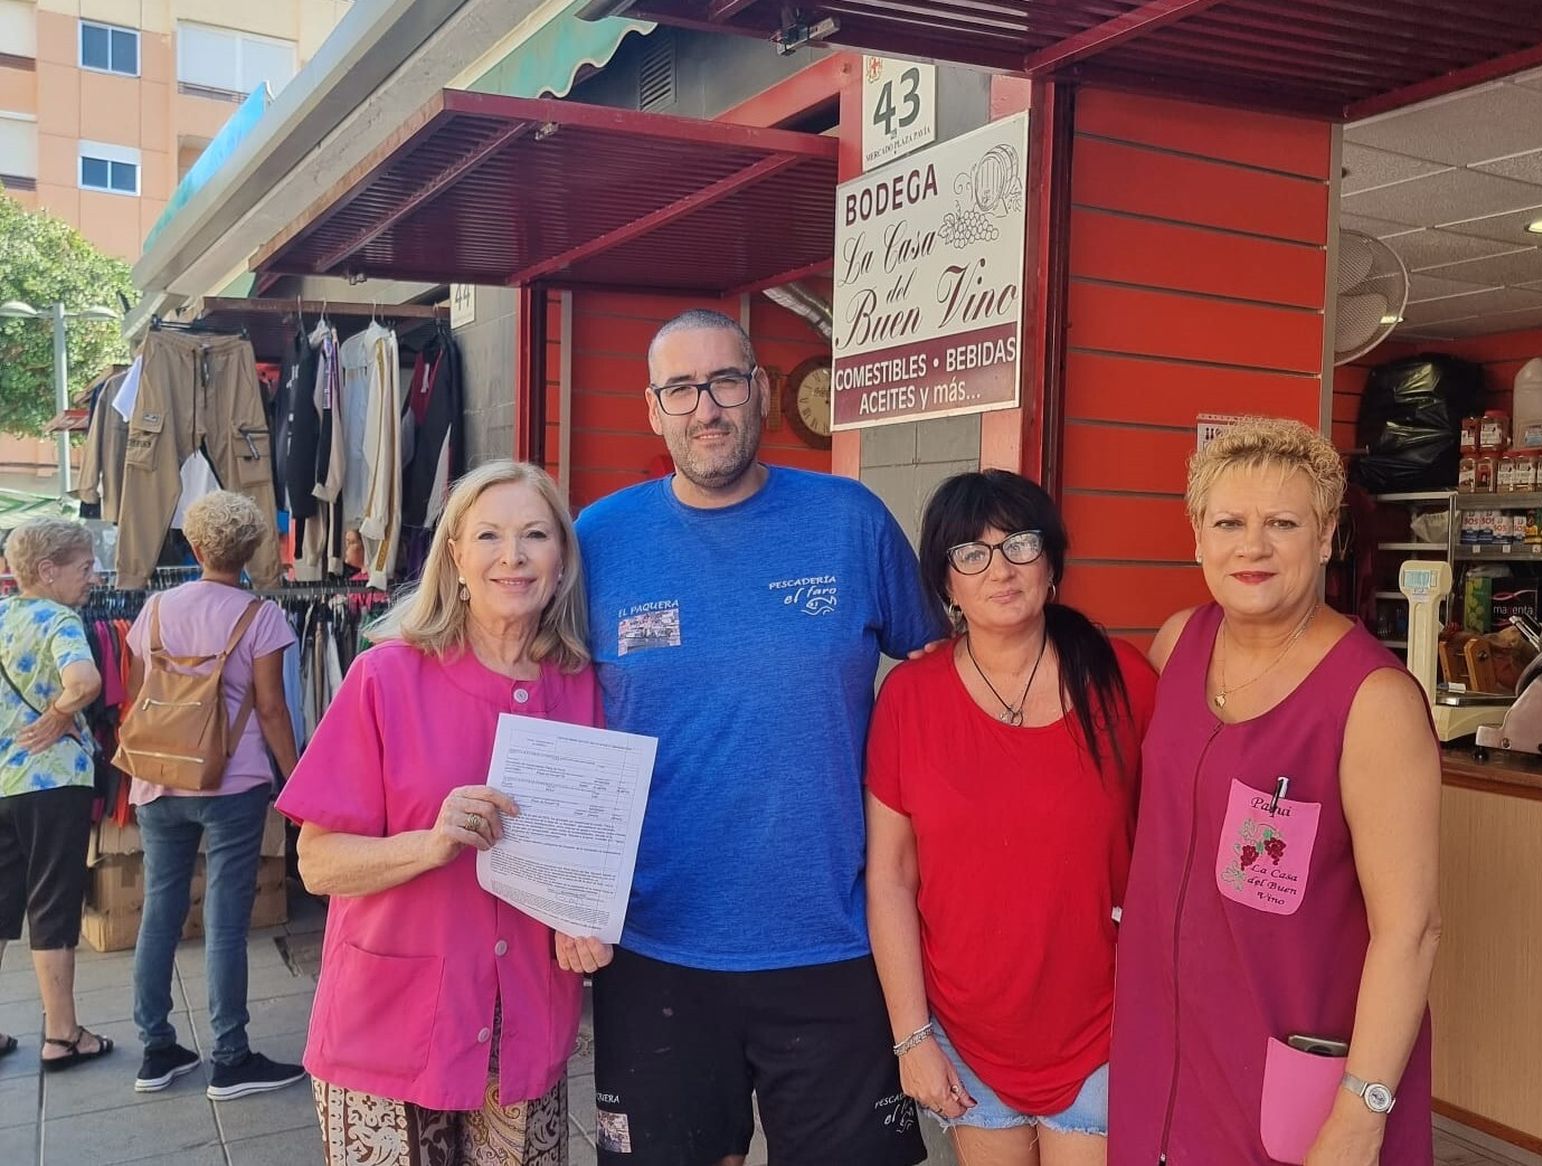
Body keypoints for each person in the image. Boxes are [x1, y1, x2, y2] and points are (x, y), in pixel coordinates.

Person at [576, 309, 938, 1166]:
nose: (707, 408)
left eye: (726, 382)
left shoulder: (850, 522)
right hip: (656, 945)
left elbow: (935, 675)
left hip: (834, 939)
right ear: (653, 409)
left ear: (762, 393)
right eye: (680, 389)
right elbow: (539, 696)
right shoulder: (598, 540)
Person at [1108, 417, 1441, 1166]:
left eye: (1282, 524)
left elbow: (1411, 929)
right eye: (1229, 522)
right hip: (1165, 1059)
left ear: (1325, 538)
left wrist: (1361, 1113)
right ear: (1197, 537)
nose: (1252, 547)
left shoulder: (1373, 700)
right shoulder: (1178, 644)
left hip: (1300, 1071)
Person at [276, 460, 609, 1166]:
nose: (512, 556)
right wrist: (428, 844)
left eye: (535, 535)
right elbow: (317, 862)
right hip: (391, 1028)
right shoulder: (386, 676)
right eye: (488, 536)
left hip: (526, 1023)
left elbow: (587, 849)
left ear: (561, 562)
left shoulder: (582, 687)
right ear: (455, 557)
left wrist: (584, 919)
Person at [866, 470, 1158, 1166]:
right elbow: (891, 878)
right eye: (971, 553)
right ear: (946, 583)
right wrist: (911, 1038)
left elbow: (1174, 844)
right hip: (966, 1031)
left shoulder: (1123, 679)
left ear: (1051, 561)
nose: (999, 569)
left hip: (1104, 1028)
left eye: (1019, 544)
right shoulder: (909, 699)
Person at [126, 490, 306, 1099]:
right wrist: (297, 780)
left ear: (195, 546)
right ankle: (230, 1057)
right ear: (251, 549)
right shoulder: (261, 617)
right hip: (233, 781)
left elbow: (141, 696)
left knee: (160, 910)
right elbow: (272, 709)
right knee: (226, 921)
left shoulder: (154, 609)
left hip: (158, 777)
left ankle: (156, 1050)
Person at [0, 517, 110, 1069]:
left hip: (2, 780)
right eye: (84, 568)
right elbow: (85, 681)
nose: (93, 578)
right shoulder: (59, 619)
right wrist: (59, 712)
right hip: (52, 781)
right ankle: (62, 1035)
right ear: (48, 570)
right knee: (52, 903)